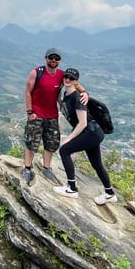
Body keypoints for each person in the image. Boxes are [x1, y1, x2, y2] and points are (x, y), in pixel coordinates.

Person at [22, 48, 87, 185]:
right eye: (51, 57)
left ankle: (46, 168)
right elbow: (28, 92)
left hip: (52, 116)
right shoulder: (36, 73)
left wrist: (84, 92)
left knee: (51, 144)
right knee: (31, 143)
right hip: (36, 115)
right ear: (46, 58)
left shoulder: (62, 75)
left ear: (59, 61)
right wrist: (30, 112)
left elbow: (75, 83)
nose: (53, 60)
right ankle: (27, 169)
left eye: (56, 58)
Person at [53, 67, 117, 205]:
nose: (68, 79)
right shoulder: (68, 94)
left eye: (71, 78)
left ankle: (71, 188)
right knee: (97, 164)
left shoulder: (78, 98)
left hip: (91, 132)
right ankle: (110, 193)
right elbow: (66, 106)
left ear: (76, 81)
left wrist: (68, 139)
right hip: (93, 133)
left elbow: (82, 123)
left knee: (64, 150)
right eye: (66, 77)